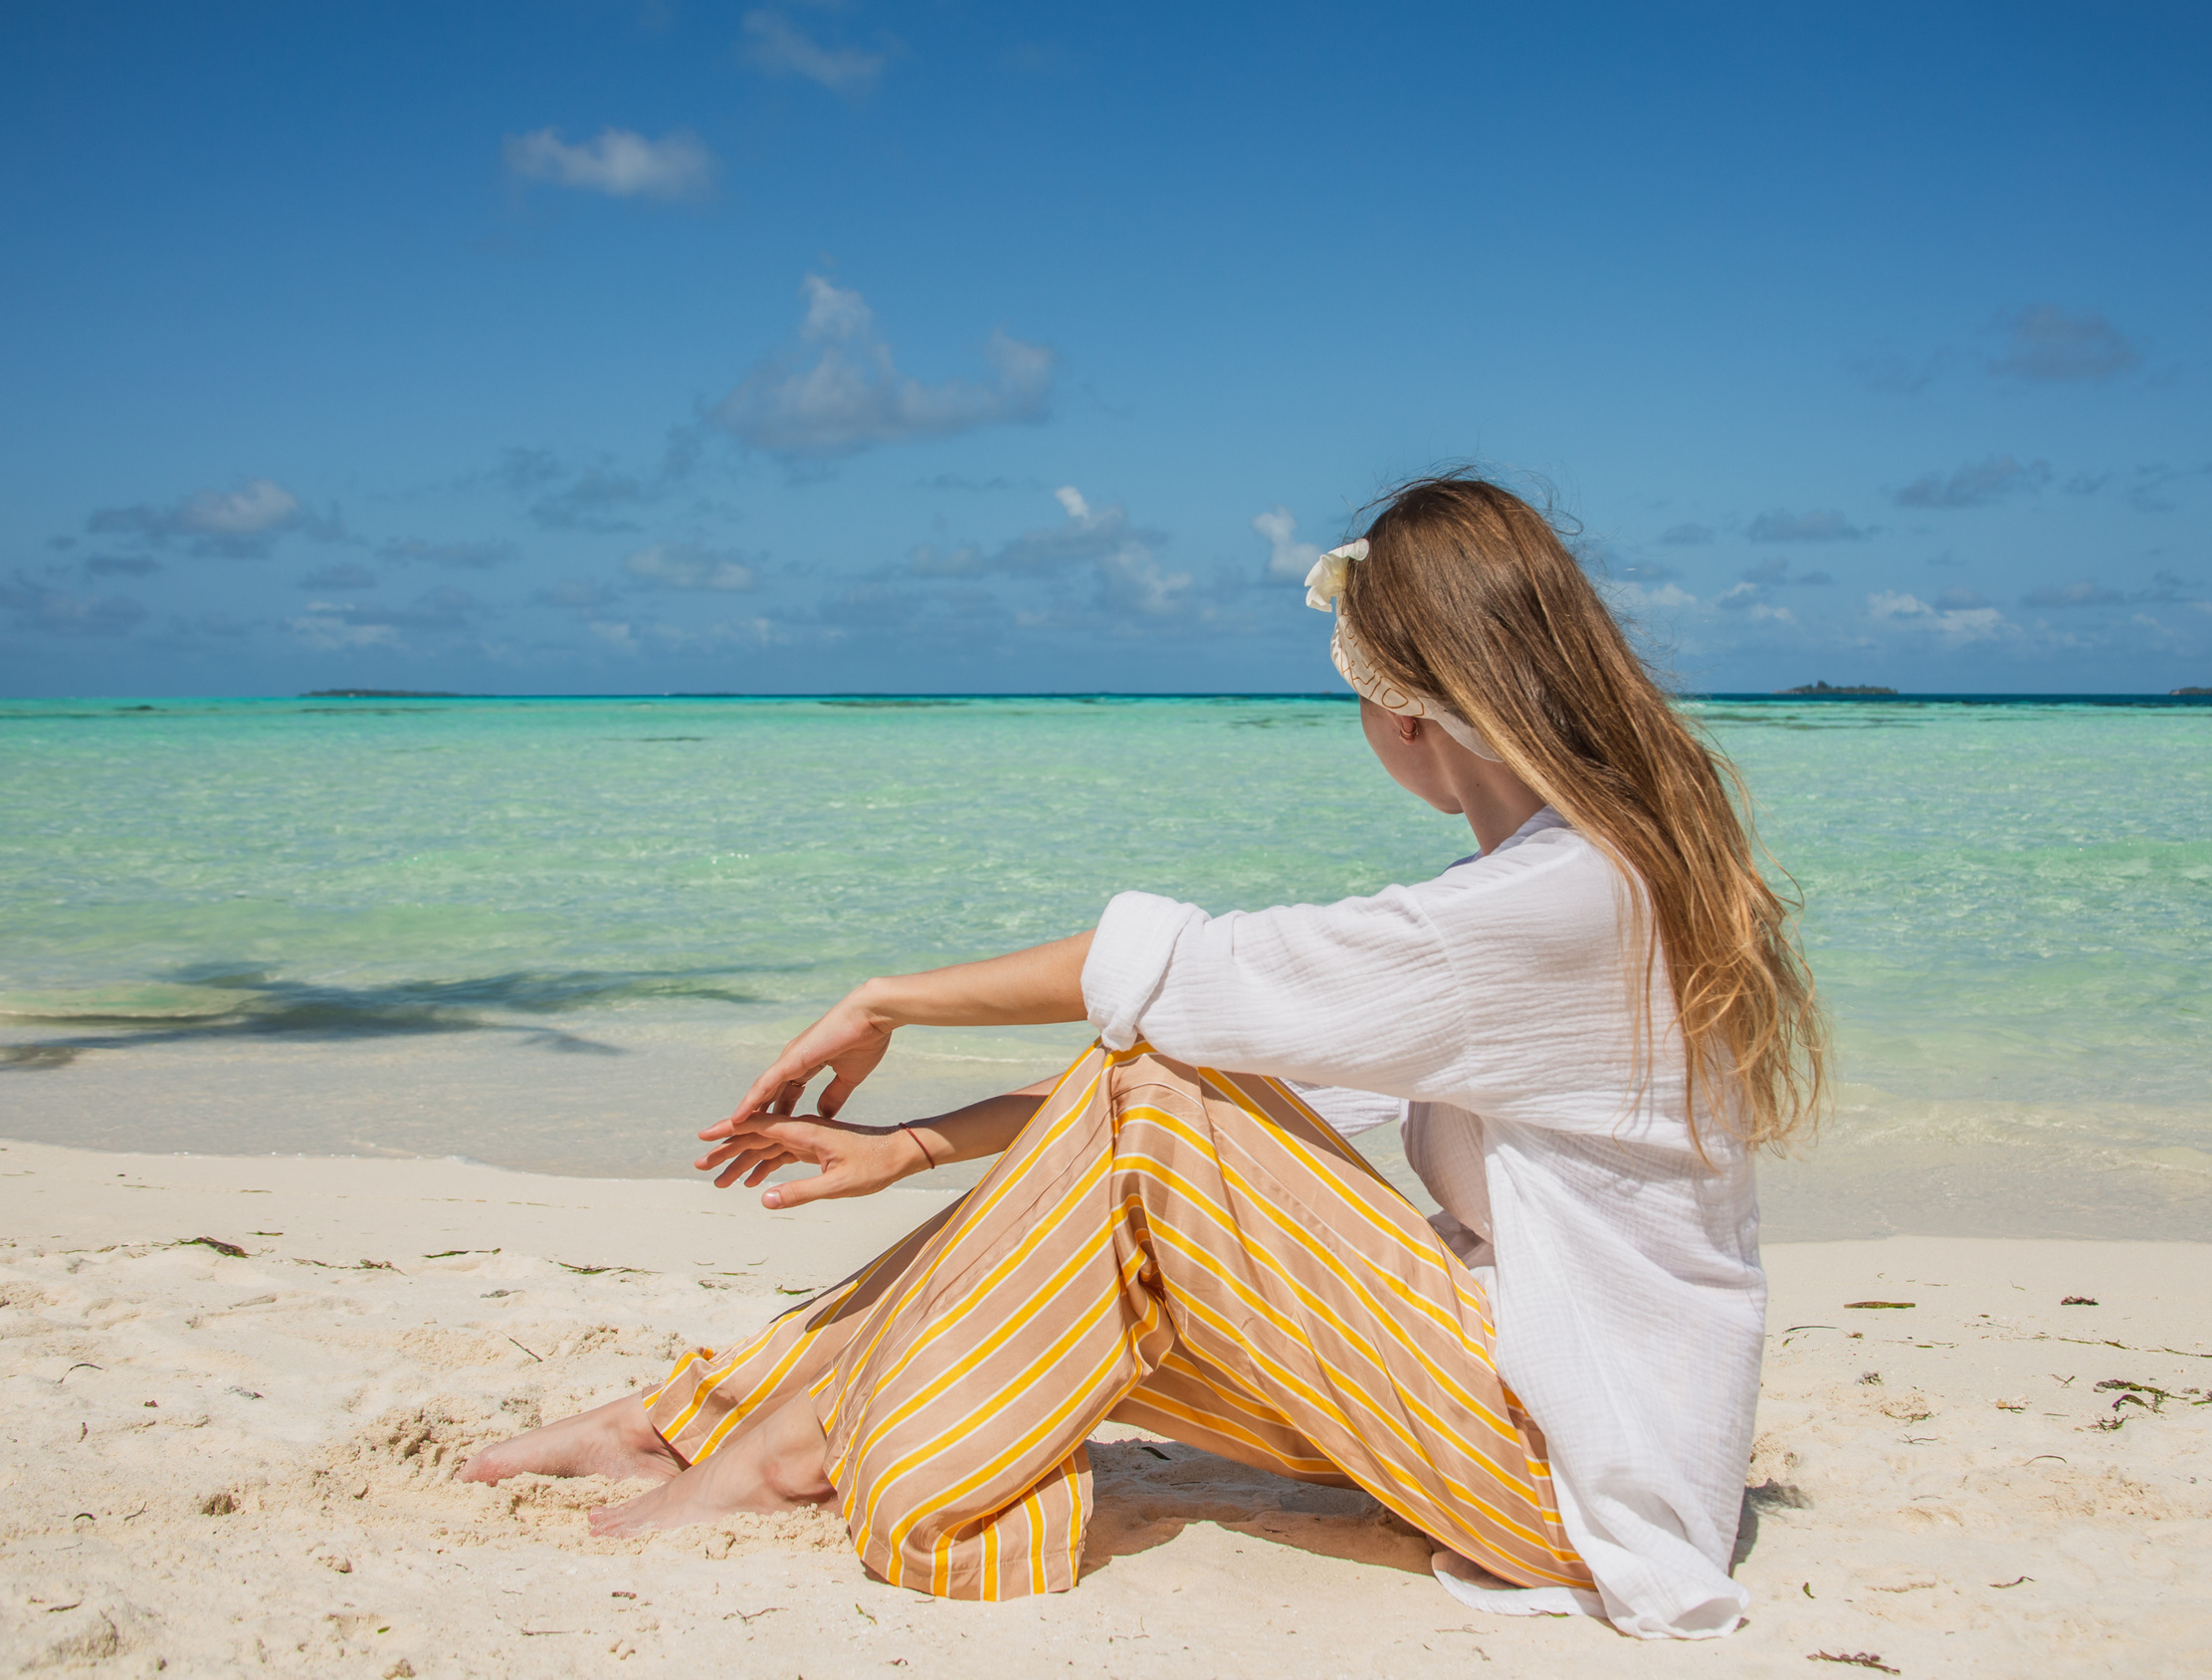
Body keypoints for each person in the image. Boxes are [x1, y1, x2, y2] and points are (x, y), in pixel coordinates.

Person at [460, 475, 1824, 1639]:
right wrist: (915, 1145)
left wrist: (886, 1000)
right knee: (1154, 1105)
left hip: (1566, 1486)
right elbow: (1223, 1093)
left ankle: (787, 1447)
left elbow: (1170, 991)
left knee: (1158, 1077)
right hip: (1512, 1415)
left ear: (1404, 708)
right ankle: (690, 1419)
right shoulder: (1564, 892)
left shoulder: (1560, 902)